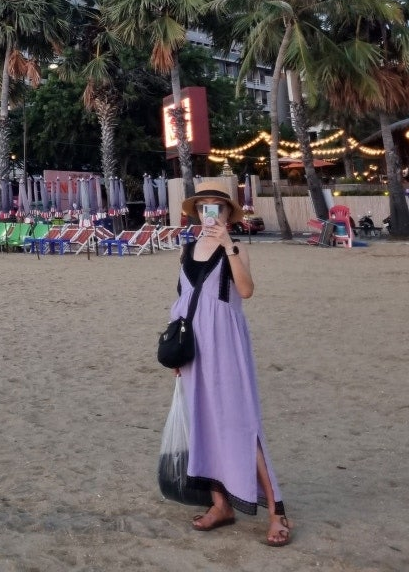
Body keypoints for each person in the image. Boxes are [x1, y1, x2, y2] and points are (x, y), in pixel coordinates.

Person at [165, 180, 291, 547]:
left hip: (226, 344)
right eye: (203, 207)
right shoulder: (186, 249)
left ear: (227, 214)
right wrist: (177, 353)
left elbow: (246, 290)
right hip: (194, 346)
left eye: (216, 207)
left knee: (242, 423)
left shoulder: (236, 248)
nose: (210, 213)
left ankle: (277, 511)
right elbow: (182, 300)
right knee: (204, 421)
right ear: (196, 213)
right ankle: (221, 505)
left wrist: (228, 246)